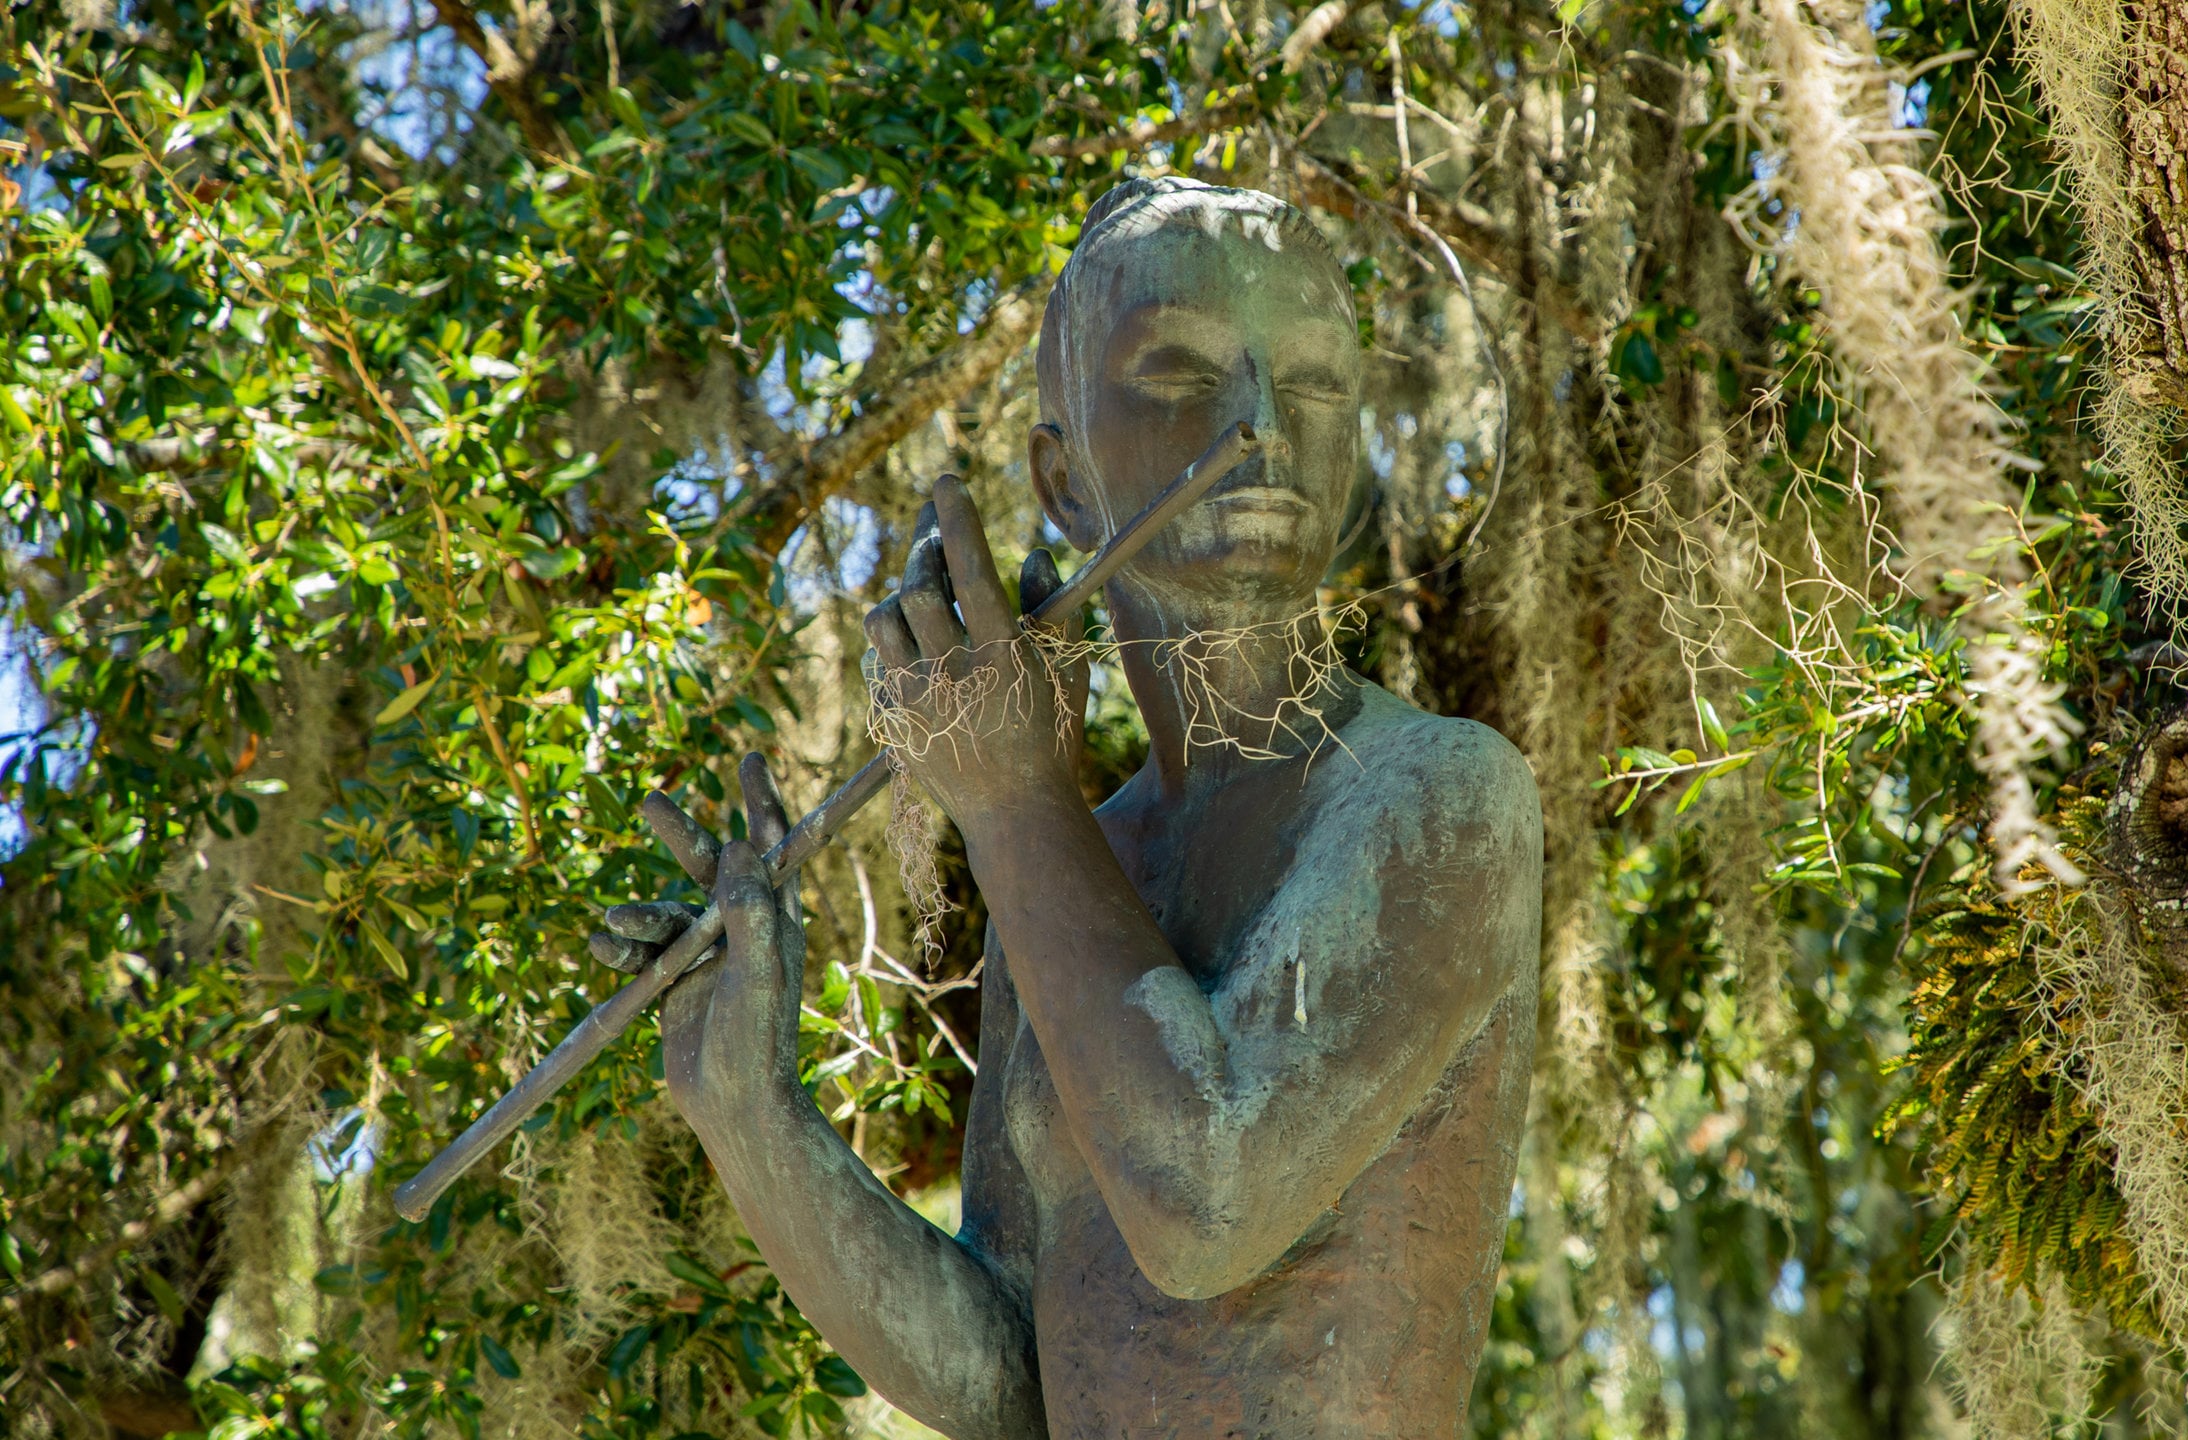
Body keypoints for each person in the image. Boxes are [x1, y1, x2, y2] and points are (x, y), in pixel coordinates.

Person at [593, 177, 1544, 1439]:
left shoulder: (1437, 798)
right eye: (1176, 375)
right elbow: (1007, 1373)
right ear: (1062, 479)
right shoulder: (1075, 862)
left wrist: (1011, 803)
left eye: (1313, 383)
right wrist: (750, 1109)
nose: (1259, 423)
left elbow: (1205, 1207)